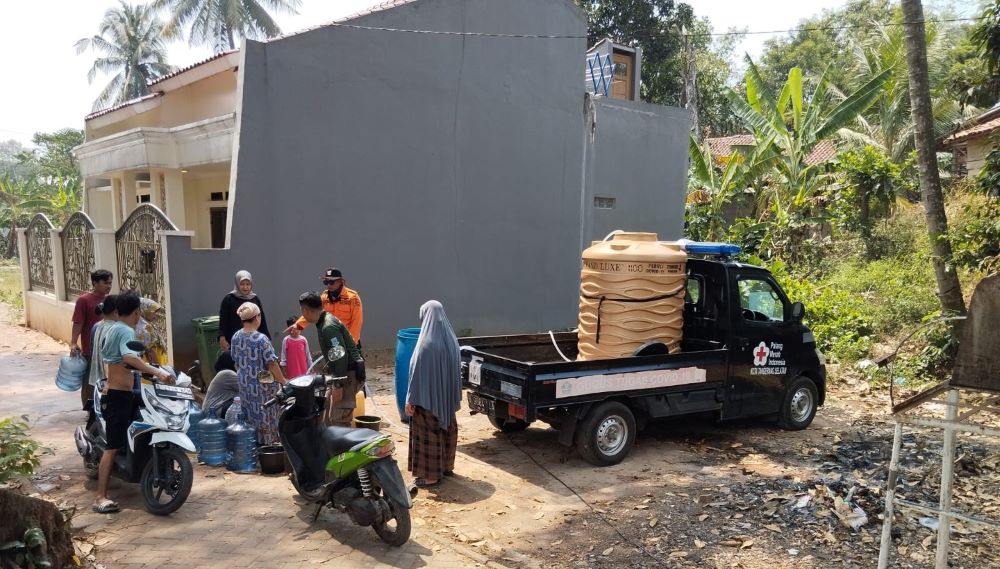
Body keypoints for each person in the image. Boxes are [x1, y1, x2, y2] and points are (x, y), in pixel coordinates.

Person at [94, 292, 174, 513]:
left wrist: (145, 372)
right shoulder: (126, 331)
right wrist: (156, 371)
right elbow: (129, 357)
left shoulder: (112, 328)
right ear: (138, 312)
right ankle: (100, 496)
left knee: (130, 435)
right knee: (112, 447)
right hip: (118, 395)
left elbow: (122, 360)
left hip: (123, 392)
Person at [405, 300, 462, 491]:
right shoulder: (452, 340)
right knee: (448, 427)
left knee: (428, 433)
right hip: (446, 398)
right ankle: (446, 467)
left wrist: (410, 400)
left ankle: (430, 477)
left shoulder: (425, 344)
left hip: (427, 399)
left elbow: (416, 375)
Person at [298, 292, 364, 427]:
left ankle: (342, 447)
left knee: (339, 419)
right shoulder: (324, 321)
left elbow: (340, 355)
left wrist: (338, 385)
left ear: (305, 310)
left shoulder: (328, 327)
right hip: (341, 374)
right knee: (328, 416)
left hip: (346, 374)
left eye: (302, 311)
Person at [229, 302, 286, 446]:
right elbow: (272, 363)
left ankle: (251, 446)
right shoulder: (261, 339)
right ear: (257, 317)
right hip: (263, 387)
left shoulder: (236, 336)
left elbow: (235, 360)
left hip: (244, 385)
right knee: (265, 416)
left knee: (249, 415)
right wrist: (283, 381)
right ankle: (267, 447)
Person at [72, 269, 113, 412]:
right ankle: (89, 410)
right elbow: (78, 323)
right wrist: (73, 343)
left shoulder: (110, 300)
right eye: (105, 283)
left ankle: (104, 407)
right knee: (90, 380)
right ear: (95, 282)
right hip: (91, 348)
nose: (108, 286)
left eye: (110, 283)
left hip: (109, 348)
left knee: (108, 378)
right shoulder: (84, 300)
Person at [288, 268, 363, 346]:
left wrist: (351, 342)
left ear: (340, 281)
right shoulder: (324, 297)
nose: (328, 285)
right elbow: (313, 312)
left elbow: (357, 321)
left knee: (355, 358)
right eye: (326, 282)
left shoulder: (352, 297)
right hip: (331, 341)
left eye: (331, 282)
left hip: (348, 341)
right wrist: (298, 325)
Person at [218, 271, 270, 351]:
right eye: (242, 284)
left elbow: (262, 320)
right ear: (237, 284)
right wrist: (222, 337)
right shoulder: (229, 299)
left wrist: (267, 338)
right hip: (234, 340)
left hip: (253, 340)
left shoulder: (254, 299)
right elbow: (223, 320)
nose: (245, 287)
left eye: (248, 284)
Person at [87, 294, 118, 400]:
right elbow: (110, 358)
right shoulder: (114, 329)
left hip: (98, 378)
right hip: (109, 380)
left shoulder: (97, 325)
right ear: (116, 312)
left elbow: (91, 349)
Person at [204, 351, 239, 419]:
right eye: (236, 362)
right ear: (230, 362)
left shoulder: (223, 373)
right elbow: (246, 387)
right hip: (214, 412)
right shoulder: (227, 373)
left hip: (213, 411)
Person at [135, 298, 167, 365]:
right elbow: (150, 350)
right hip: (151, 361)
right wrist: (159, 368)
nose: (155, 316)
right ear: (144, 311)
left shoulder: (146, 324)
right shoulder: (145, 327)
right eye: (153, 313)